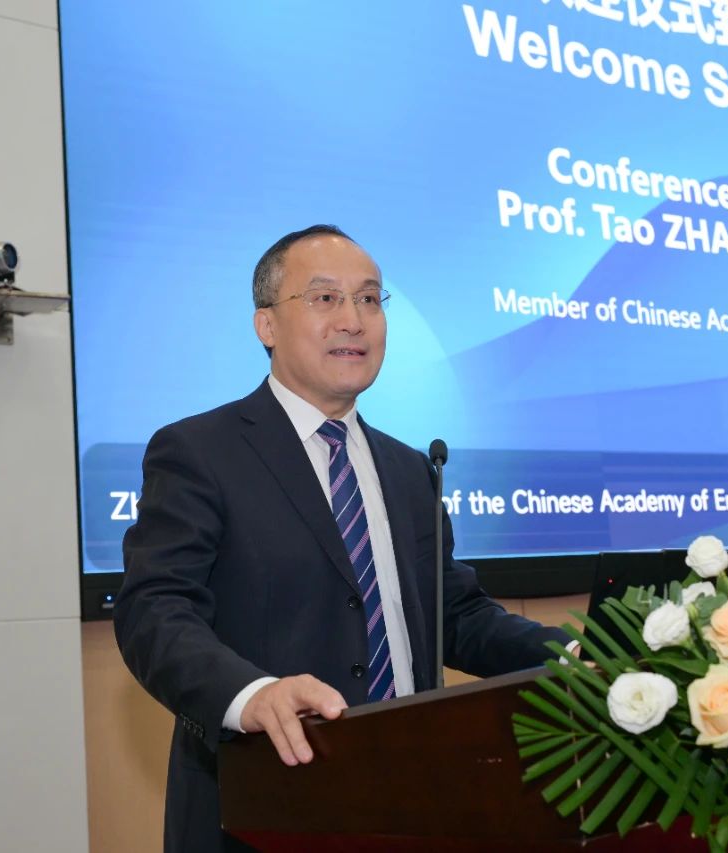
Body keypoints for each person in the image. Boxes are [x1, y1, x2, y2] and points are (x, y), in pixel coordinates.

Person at [114, 224, 570, 853]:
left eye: (370, 299)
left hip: (414, 803)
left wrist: (578, 656)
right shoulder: (200, 451)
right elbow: (155, 609)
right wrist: (251, 696)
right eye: (325, 298)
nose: (354, 320)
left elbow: (455, 616)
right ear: (266, 325)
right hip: (262, 803)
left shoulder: (410, 469)